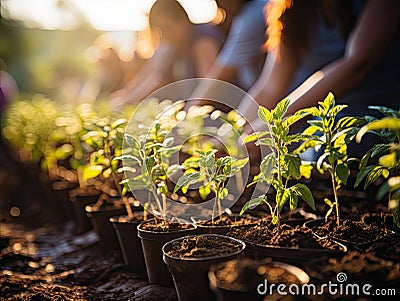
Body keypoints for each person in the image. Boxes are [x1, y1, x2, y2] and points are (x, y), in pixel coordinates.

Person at [238, 0, 400, 128]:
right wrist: (232, 132)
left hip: (377, 119)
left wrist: (276, 124)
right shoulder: (292, 8)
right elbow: (270, 87)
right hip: (319, 123)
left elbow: (357, 64)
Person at [110, 0, 224, 107]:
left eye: (166, 28)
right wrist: (125, 95)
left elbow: (210, 85)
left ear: (182, 21)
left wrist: (189, 112)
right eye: (160, 30)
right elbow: (152, 72)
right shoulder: (174, 43)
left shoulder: (202, 39)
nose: (164, 35)